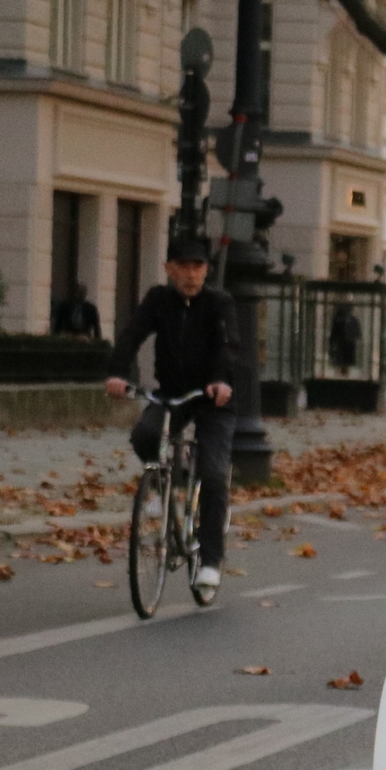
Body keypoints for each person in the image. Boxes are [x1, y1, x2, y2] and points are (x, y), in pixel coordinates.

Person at [104, 236, 240, 595]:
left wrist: (220, 381)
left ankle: (210, 561)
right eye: (182, 266)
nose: (190, 274)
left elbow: (228, 347)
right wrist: (118, 372)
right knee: (144, 436)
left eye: (197, 267)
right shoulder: (158, 300)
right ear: (168, 269)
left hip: (214, 398)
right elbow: (133, 334)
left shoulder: (218, 303)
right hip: (172, 394)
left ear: (206, 270)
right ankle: (164, 483)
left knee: (212, 475)